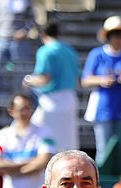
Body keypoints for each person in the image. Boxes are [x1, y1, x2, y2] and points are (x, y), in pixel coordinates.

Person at [81, 16, 121, 164]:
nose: (119, 39)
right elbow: (85, 80)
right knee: (103, 150)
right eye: (115, 35)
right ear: (108, 37)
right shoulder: (97, 54)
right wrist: (101, 80)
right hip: (103, 109)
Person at [23, 22, 80, 152]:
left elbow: (45, 79)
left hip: (52, 102)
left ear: (42, 34)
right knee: (68, 145)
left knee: (43, 142)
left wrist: (29, 80)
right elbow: (77, 78)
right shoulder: (70, 51)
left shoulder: (45, 51)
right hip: (70, 99)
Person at [0, 0, 36, 113]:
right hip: (0, 40)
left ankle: (22, 108)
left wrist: (23, 31)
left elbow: (32, 19)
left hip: (19, 42)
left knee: (21, 76)